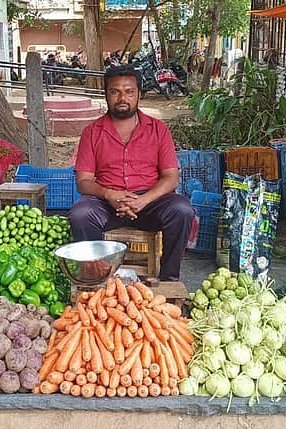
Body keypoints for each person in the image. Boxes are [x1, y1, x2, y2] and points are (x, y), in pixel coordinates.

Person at [68, 65, 195, 281]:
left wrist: (143, 200)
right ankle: (96, 281)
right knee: (81, 214)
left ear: (139, 94)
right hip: (107, 204)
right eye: (115, 91)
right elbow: (84, 182)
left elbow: (171, 177)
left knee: (182, 210)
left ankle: (168, 281)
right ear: (106, 94)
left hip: (150, 203)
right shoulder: (92, 132)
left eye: (129, 91)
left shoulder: (158, 129)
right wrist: (109, 194)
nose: (122, 98)